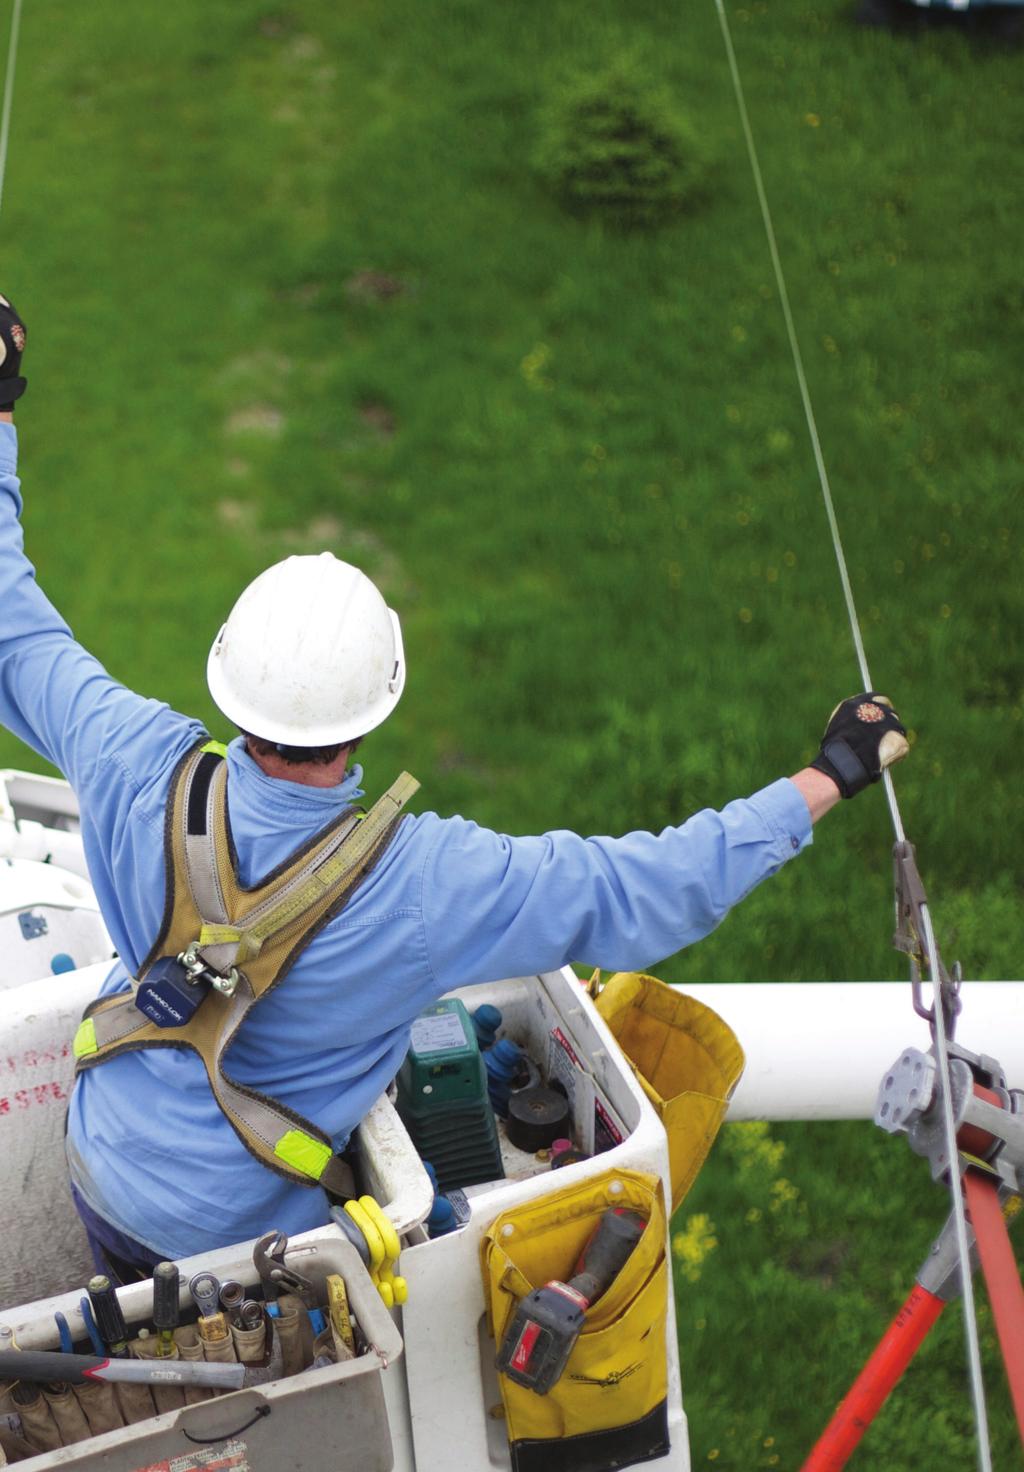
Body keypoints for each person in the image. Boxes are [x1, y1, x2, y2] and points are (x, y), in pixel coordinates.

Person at [0, 298, 909, 1279]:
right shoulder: (427, 881)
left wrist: (3, 413)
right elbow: (641, 888)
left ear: (232, 675)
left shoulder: (133, 756)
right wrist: (828, 775)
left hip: (98, 1160)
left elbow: (14, 623)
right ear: (371, 711)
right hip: (229, 1240)